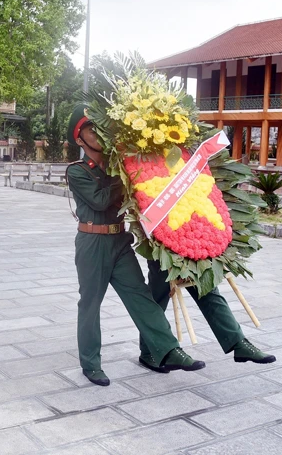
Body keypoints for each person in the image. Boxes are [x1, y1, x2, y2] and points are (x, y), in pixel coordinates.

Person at [66, 104, 205, 386]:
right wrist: (128, 172)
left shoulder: (118, 165)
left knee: (141, 297)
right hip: (92, 242)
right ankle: (91, 363)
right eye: (91, 129)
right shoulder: (78, 171)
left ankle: (167, 349)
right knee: (91, 304)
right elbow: (101, 200)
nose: (99, 133)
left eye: (100, 126)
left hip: (119, 241)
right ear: (79, 139)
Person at [140, 262, 276, 368]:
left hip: (191, 237)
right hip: (159, 237)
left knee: (207, 289)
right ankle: (148, 351)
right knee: (158, 295)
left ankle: (238, 342)